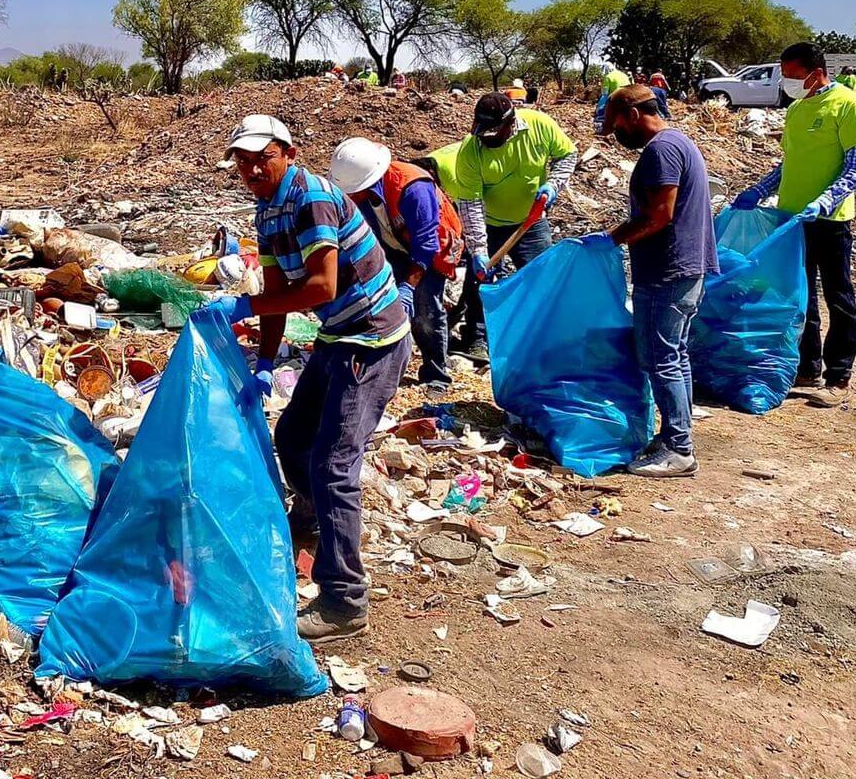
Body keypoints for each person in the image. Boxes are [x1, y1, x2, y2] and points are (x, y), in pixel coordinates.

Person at [201, 115, 411, 641]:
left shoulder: (312, 196)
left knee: (334, 465)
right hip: (339, 335)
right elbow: (274, 289)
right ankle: (315, 520)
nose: (251, 170)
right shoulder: (268, 209)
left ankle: (345, 602)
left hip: (372, 337)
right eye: (243, 162)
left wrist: (243, 305)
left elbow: (319, 286)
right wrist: (265, 363)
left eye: (261, 158)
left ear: (288, 153)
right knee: (292, 438)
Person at [733, 43, 856, 408]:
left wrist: (825, 200)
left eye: (792, 75)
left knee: (838, 295)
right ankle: (807, 366)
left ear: (815, 71)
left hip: (829, 220)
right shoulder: (796, 109)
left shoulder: (848, 105)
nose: (788, 81)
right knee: (800, 293)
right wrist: (759, 190)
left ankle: (838, 375)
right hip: (792, 219)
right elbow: (788, 164)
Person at [592, 86, 718, 477]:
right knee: (673, 356)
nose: (617, 138)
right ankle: (674, 437)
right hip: (683, 268)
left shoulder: (660, 150)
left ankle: (679, 449)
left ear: (632, 115)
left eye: (617, 128)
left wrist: (611, 239)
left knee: (661, 358)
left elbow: (659, 215)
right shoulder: (678, 141)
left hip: (669, 270)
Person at [426, 93, 579, 355]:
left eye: (493, 132)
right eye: (482, 132)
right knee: (479, 282)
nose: (487, 138)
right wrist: (479, 252)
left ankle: (544, 337)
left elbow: (568, 155)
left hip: (531, 222)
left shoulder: (539, 126)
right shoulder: (470, 152)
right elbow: (471, 206)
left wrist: (554, 185)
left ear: (511, 123)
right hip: (489, 223)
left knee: (542, 277)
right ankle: (477, 337)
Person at [329, 138, 465, 390]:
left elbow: (426, 247)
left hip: (433, 247)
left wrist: (408, 288)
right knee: (379, 302)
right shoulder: (359, 195)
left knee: (425, 308)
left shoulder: (413, 188)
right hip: (394, 243)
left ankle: (436, 374)